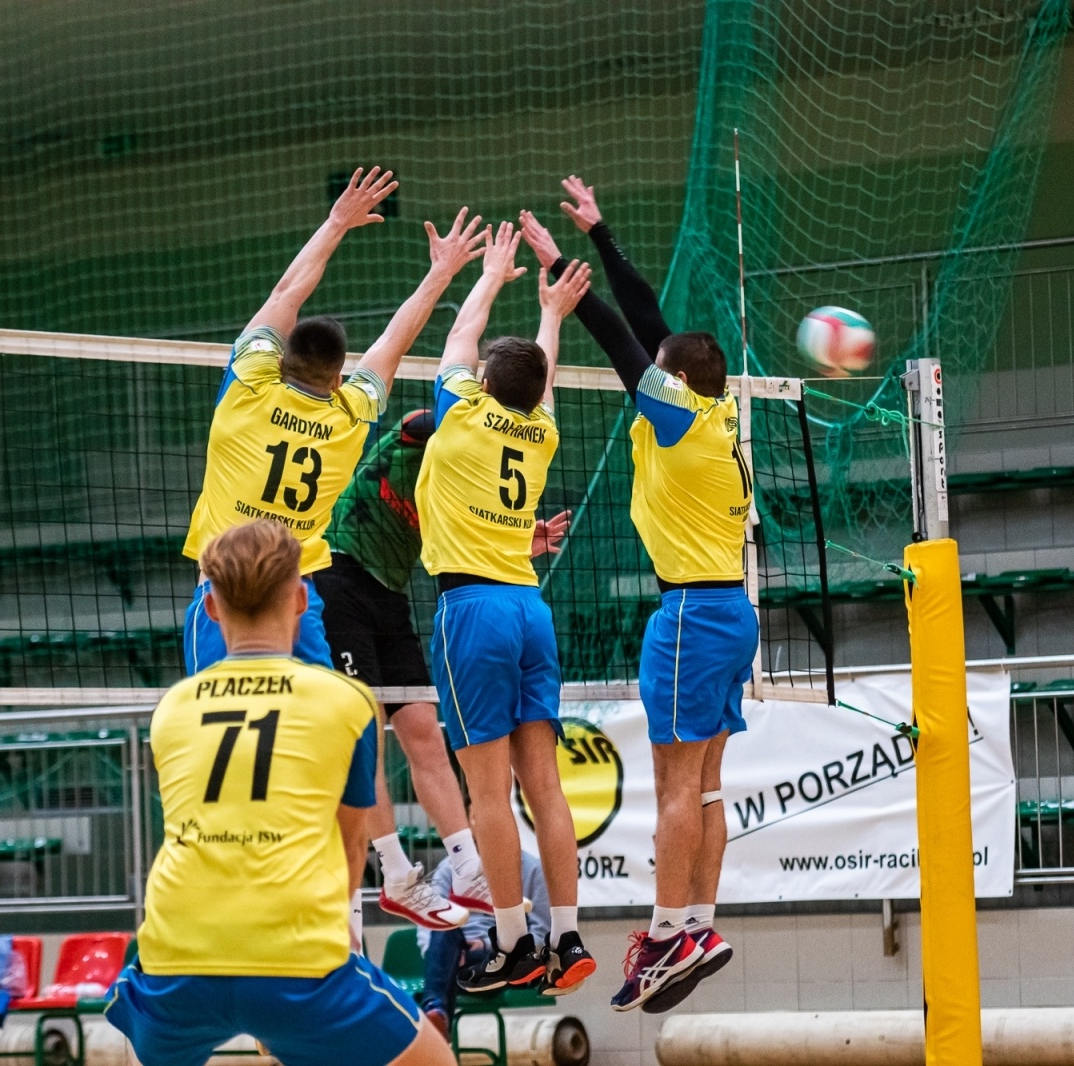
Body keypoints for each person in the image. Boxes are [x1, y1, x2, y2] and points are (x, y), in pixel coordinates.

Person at [520, 176, 754, 1013]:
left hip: (690, 614)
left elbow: (627, 343)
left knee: (677, 787)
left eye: (661, 376)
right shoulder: (716, 411)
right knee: (711, 784)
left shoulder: (679, 423)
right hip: (733, 613)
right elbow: (656, 328)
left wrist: (567, 284)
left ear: (677, 386)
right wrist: (599, 236)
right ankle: (697, 922)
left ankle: (665, 933)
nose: (650, 378)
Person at [107, 520, 453, 1066]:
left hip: (175, 957)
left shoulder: (173, 708)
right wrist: (336, 934)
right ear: (301, 598)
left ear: (213, 609)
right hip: (294, 959)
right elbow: (350, 842)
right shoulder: (348, 701)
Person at [182, 166, 486, 676]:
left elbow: (285, 295)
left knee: (218, 734)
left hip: (225, 591)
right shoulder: (351, 417)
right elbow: (394, 341)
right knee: (324, 723)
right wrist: (440, 274)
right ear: (340, 377)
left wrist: (336, 222)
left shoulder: (249, 391)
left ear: (278, 360)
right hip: (299, 598)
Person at [413, 220, 596, 996]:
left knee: (486, 792)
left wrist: (487, 276)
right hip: (530, 609)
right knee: (544, 788)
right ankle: (569, 935)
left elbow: (460, 333)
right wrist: (551, 312)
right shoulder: (542, 430)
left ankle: (514, 943)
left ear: (486, 384)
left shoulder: (459, 413)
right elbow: (538, 378)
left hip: (474, 612)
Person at [317, 408, 570, 929]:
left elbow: (475, 535)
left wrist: (521, 541)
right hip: (338, 574)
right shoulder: (432, 433)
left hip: (389, 595)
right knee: (365, 733)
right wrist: (474, 408)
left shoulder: (464, 480)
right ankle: (396, 874)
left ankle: (466, 867)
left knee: (423, 732)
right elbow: (417, 418)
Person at [416, 851, 551, 1039]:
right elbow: (426, 924)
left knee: (444, 968)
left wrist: (486, 945)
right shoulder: (448, 866)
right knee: (442, 925)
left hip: (502, 960)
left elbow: (541, 934)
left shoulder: (532, 868)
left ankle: (434, 1019)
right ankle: (435, 1014)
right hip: (454, 953)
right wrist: (438, 953)